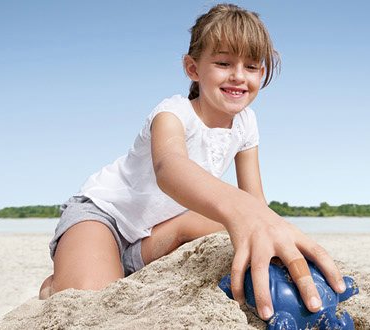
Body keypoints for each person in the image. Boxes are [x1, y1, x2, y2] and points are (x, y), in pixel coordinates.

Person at [37, 3, 347, 322]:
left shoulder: (246, 123)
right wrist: (239, 208)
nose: (238, 76)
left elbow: (256, 201)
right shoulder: (172, 114)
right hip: (106, 217)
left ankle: (112, 268)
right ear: (193, 68)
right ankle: (65, 279)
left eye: (252, 66)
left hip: (157, 231)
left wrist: (276, 233)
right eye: (224, 62)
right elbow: (169, 169)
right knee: (93, 303)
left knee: (256, 223)